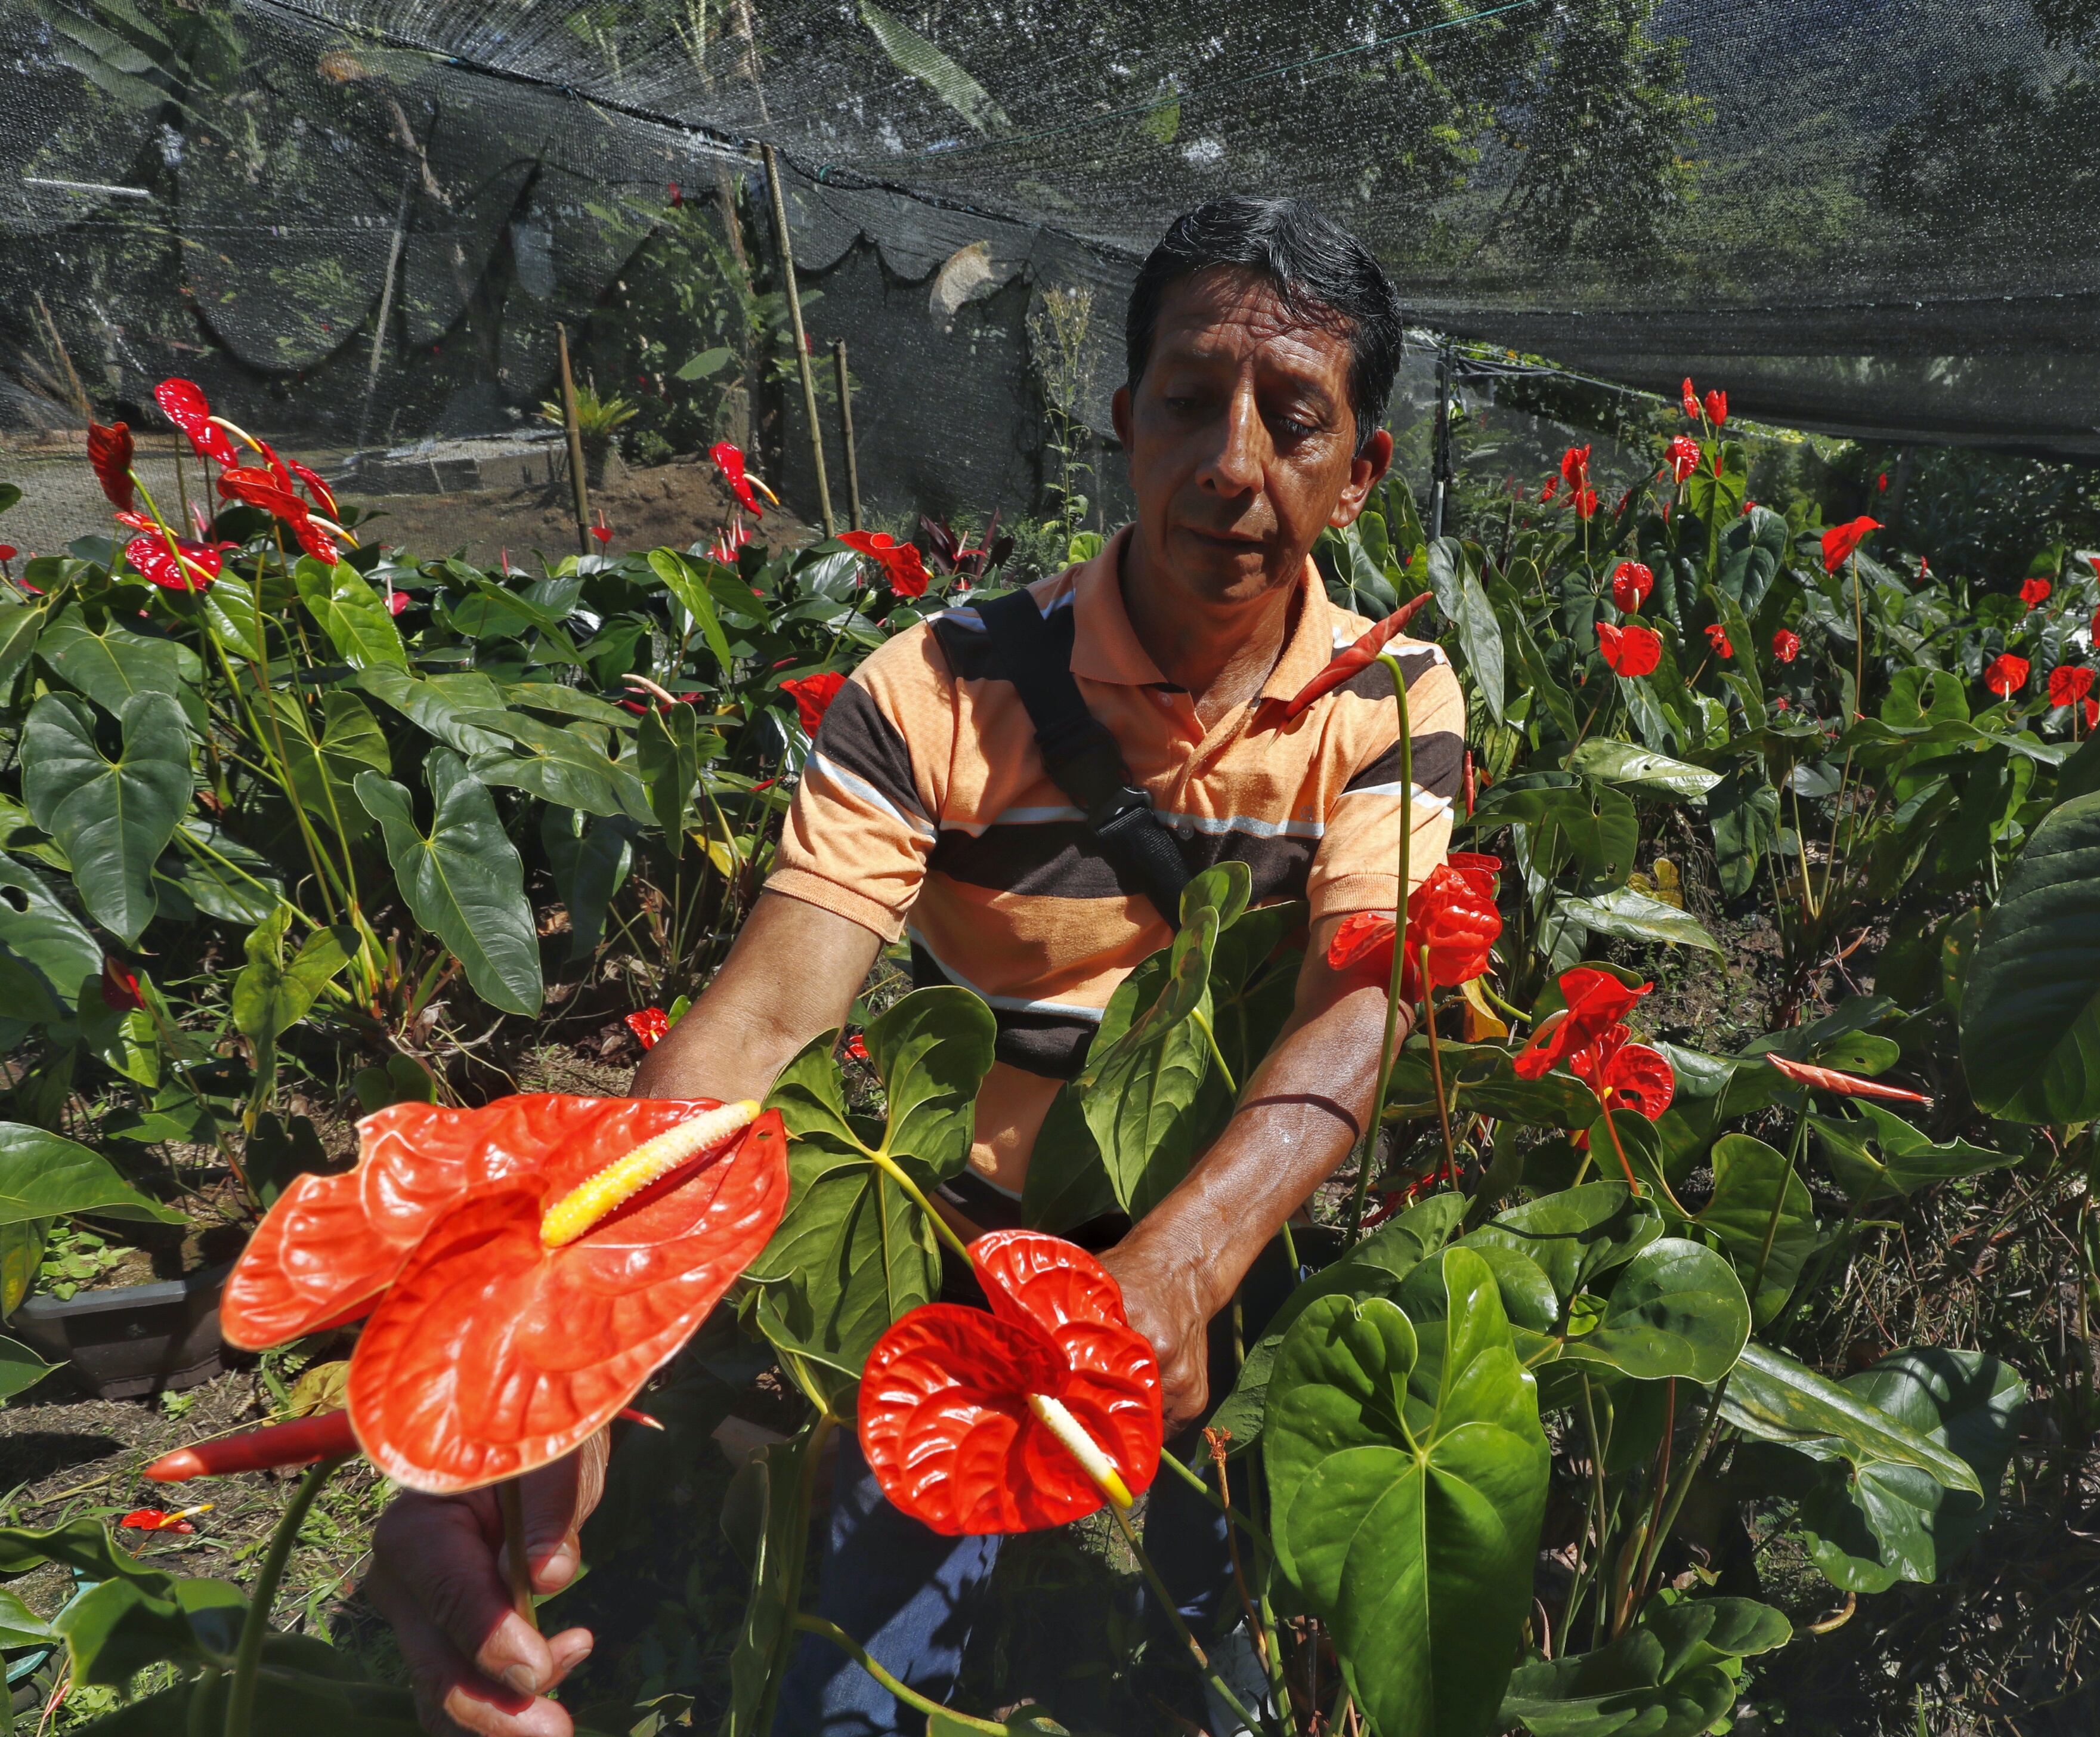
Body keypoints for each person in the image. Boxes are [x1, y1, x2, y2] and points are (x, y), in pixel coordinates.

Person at [364, 194, 1465, 1736]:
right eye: (1186, 401)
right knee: (854, 1696)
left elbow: (1364, 1003)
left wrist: (1184, 1267)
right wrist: (558, 1334)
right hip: (957, 1267)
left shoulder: (1393, 697)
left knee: (1222, 1676)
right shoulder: (937, 685)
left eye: (1293, 420)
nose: (1231, 463)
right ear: (1122, 421)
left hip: (1228, 1247)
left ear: (1359, 476)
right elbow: (758, 1020)